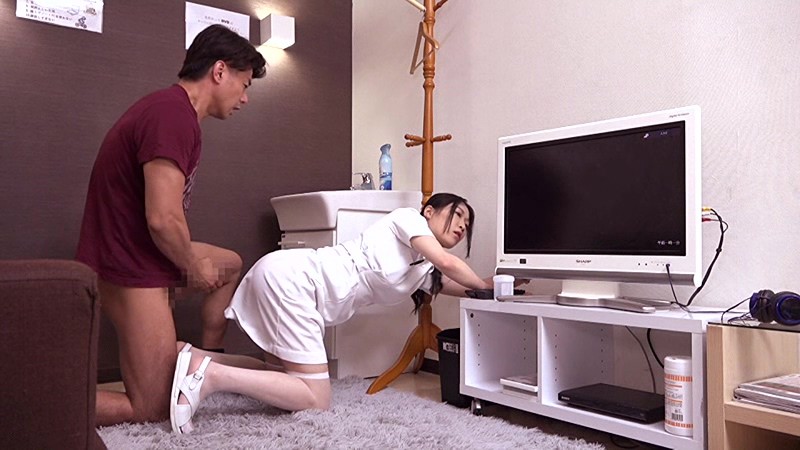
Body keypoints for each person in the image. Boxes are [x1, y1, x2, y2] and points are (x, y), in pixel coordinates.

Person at [169, 193, 495, 433]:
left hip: (293, 282)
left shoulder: (421, 269)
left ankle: (192, 356)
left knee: (284, 380)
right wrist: (481, 284)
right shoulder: (408, 219)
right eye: (458, 215)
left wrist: (500, 284)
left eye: (467, 225)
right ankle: (209, 376)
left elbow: (459, 284)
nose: (462, 227)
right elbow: (448, 264)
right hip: (296, 282)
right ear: (429, 211)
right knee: (316, 398)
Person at [75, 24, 267, 426]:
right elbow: (162, 219)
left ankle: (202, 367)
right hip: (125, 264)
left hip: (141, 249)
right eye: (245, 84)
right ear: (220, 71)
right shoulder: (171, 115)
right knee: (152, 406)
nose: (245, 98)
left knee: (229, 264)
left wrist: (192, 265)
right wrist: (190, 267)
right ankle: (30, 403)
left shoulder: (177, 114)